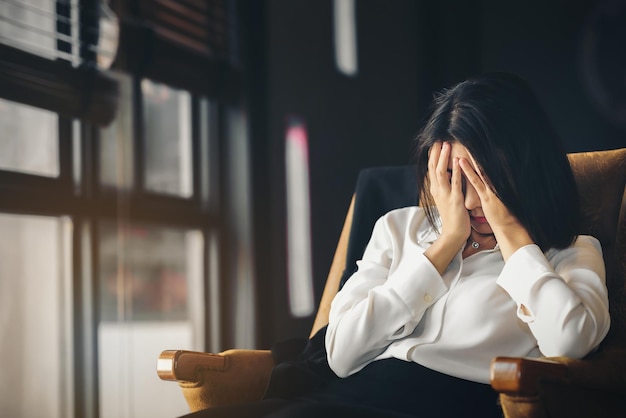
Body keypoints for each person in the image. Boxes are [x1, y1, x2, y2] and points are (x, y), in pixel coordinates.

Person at [182, 72, 611, 418]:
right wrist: (444, 246)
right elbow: (341, 354)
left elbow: (570, 342)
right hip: (348, 395)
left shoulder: (568, 252)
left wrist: (514, 237)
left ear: (524, 168)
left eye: (485, 179)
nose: (470, 201)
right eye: (455, 180)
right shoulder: (398, 229)